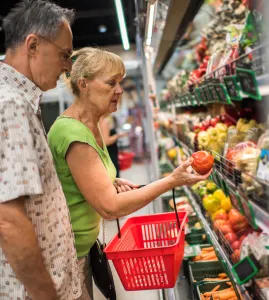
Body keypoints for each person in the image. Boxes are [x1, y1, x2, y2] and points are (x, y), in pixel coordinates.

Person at [48, 47, 212, 300]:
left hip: (82, 246)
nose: (120, 90)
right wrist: (173, 180)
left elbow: (72, 178)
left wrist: (108, 180)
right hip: (66, 255)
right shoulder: (72, 133)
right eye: (111, 82)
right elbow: (110, 208)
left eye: (120, 82)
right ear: (84, 84)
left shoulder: (90, 123)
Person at [0, 1, 81, 299]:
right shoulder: (11, 105)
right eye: (64, 55)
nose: (67, 67)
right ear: (33, 45)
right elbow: (7, 220)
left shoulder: (20, 101)